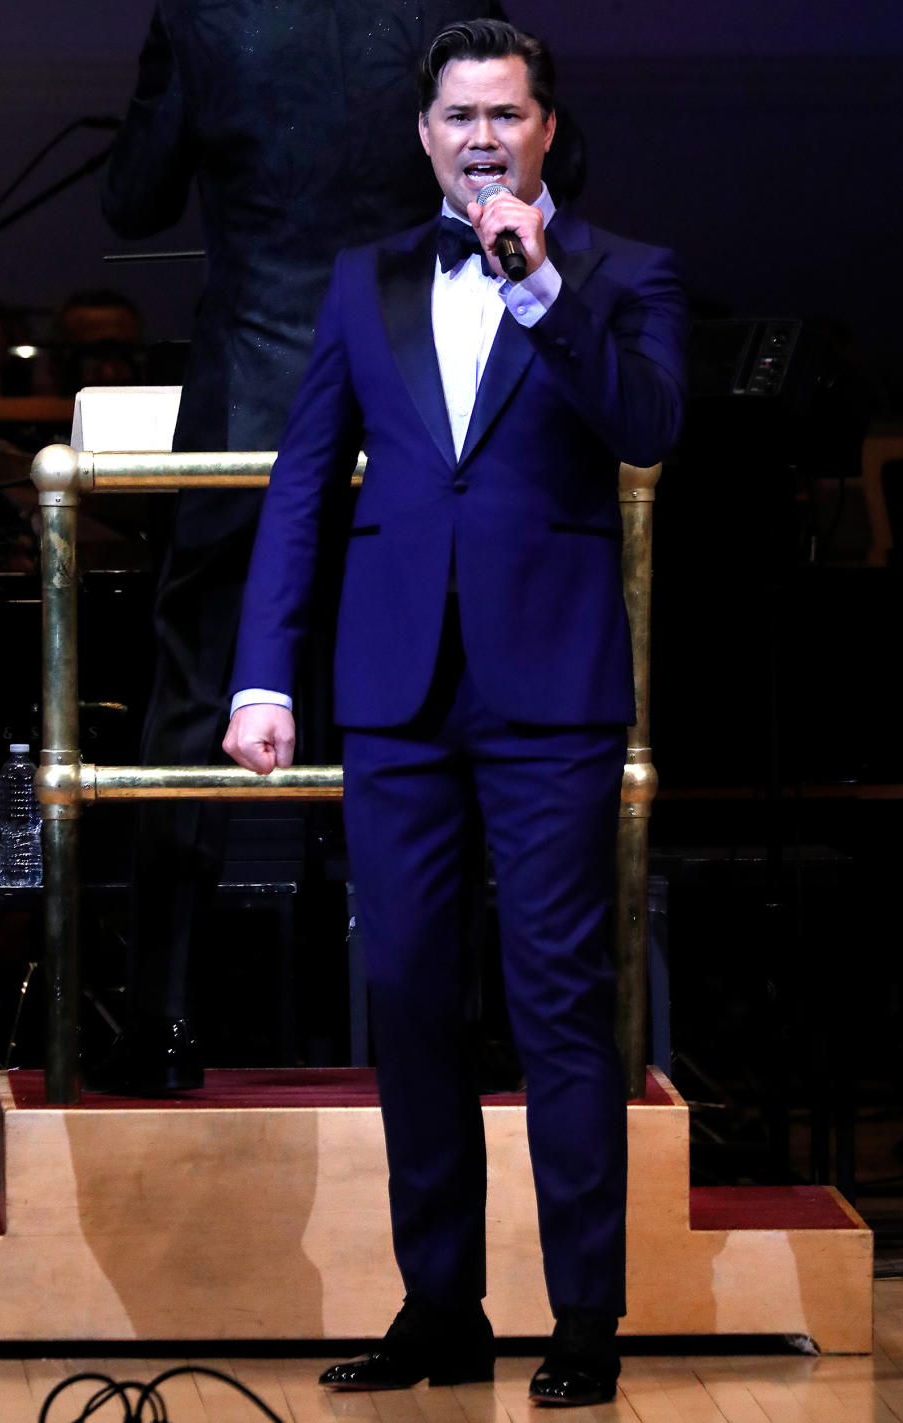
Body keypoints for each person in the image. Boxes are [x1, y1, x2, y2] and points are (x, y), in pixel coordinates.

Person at [224, 17, 687, 1407]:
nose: (481, 137)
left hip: (548, 687)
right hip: (395, 688)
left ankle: (587, 1314)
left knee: (557, 1005)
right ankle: (441, 1305)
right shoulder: (363, 282)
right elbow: (306, 481)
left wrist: (546, 292)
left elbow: (649, 423)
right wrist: (262, 672)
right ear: (423, 133)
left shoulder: (625, 272)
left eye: (506, 113)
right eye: (457, 116)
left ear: (547, 127)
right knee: (412, 991)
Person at [97, 0, 522, 1093]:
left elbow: (133, 198)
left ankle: (160, 1019)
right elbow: (520, 166)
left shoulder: (204, 16)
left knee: (199, 696)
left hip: (256, 394)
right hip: (409, 393)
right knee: (428, 688)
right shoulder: (449, 10)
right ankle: (455, 1023)